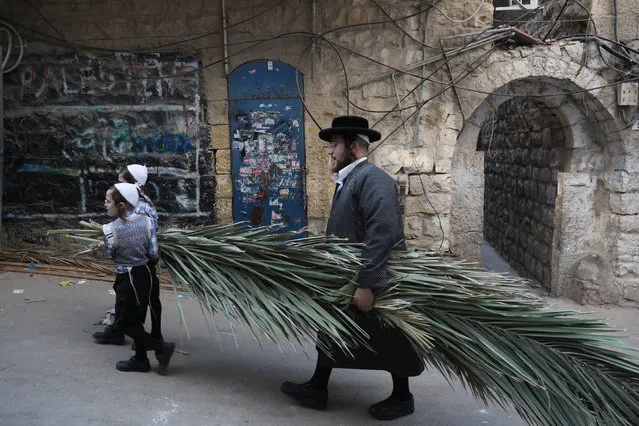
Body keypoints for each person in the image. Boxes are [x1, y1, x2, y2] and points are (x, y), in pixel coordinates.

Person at [280, 116, 424, 420]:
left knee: (391, 335)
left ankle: (402, 397)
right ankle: (318, 387)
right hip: (352, 275)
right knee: (333, 328)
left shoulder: (374, 180)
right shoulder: (352, 178)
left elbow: (382, 231)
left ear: (354, 147)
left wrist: (367, 283)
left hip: (376, 278)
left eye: (335, 145)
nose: (330, 152)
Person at [93, 183, 175, 374]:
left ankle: (161, 348)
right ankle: (141, 360)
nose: (105, 205)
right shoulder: (148, 222)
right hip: (145, 274)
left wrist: (104, 248)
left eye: (108, 201)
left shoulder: (110, 229)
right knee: (137, 319)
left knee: (124, 323)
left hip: (127, 278)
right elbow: (154, 253)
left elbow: (110, 256)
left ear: (121, 205)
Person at [93, 164, 163, 348]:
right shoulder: (138, 203)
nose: (118, 186)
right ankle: (134, 338)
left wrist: (110, 241)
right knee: (134, 299)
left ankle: (152, 341)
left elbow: (142, 241)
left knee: (140, 301)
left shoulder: (141, 209)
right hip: (139, 263)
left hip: (138, 264)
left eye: (121, 182)